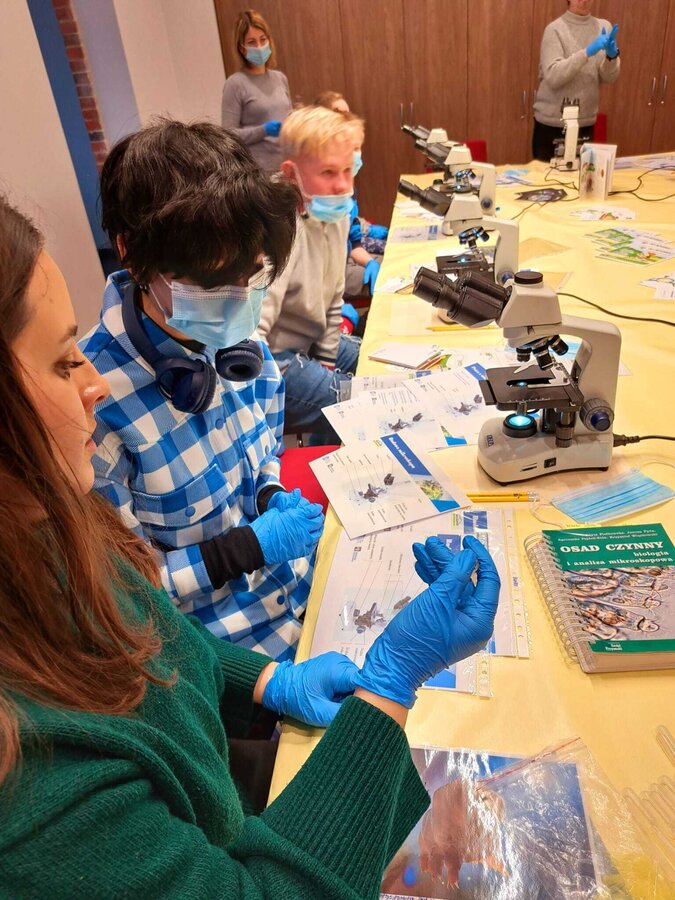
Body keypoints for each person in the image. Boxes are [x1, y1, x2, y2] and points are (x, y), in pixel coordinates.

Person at [0, 194, 501, 896]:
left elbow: (149, 629)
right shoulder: (31, 789)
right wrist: (391, 683)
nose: (92, 386)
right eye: (61, 364)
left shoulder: (42, 523)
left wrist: (266, 684)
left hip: (226, 757)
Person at [80, 120, 321, 663]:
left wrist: (269, 495)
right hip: (232, 656)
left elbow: (264, 454)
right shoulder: (95, 406)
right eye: (211, 284)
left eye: (249, 277)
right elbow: (123, 600)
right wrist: (241, 550)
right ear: (131, 253)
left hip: (303, 592)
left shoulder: (239, 344)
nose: (237, 301)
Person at [257, 105, 362, 444]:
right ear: (291, 174)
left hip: (310, 341)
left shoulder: (336, 214)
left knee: (378, 367)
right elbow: (254, 332)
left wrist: (327, 363)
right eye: (328, 172)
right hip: (274, 357)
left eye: (348, 170)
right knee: (361, 404)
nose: (342, 185)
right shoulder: (278, 226)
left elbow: (334, 297)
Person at [314, 91, 388, 300]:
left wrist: (370, 262)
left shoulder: (346, 185)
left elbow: (353, 243)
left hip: (341, 265)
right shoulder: (315, 203)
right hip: (327, 277)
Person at [532, 0, 620, 163]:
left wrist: (611, 57)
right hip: (552, 124)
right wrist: (587, 52)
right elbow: (554, 76)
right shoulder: (554, 29)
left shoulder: (603, 27)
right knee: (546, 177)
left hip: (585, 122)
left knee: (583, 177)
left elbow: (609, 77)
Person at [221, 9, 292, 172]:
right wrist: (263, 130)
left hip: (286, 166)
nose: (259, 47)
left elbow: (288, 117)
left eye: (263, 39)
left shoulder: (280, 78)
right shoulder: (235, 84)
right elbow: (228, 136)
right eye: (252, 42)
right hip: (258, 172)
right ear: (242, 48)